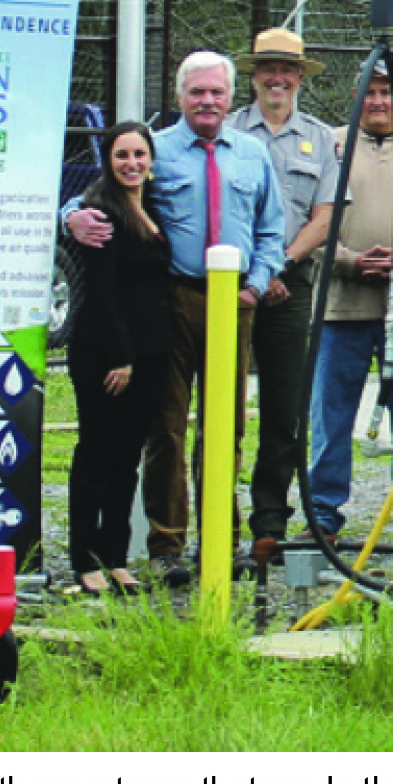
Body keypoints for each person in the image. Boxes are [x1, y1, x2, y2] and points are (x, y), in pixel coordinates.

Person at [65, 52, 288, 585]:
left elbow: (271, 229)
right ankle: (167, 546)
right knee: (165, 426)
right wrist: (68, 216)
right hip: (172, 302)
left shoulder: (252, 155)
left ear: (231, 97)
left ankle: (221, 539)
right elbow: (105, 195)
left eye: (216, 93)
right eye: (197, 93)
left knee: (225, 426)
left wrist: (256, 285)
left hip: (234, 301)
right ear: (180, 95)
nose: (207, 102)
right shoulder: (155, 149)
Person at [307, 60, 393, 545]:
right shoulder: (329, 141)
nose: (379, 101)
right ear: (355, 93)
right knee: (331, 415)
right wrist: (347, 261)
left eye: (388, 92)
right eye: (371, 91)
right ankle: (323, 515)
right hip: (342, 303)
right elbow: (312, 223)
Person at [231, 28, 342, 566]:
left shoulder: (320, 140)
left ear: (300, 77)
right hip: (228, 283)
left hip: (289, 283)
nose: (278, 78)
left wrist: (276, 267)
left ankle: (268, 524)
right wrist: (251, 273)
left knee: (283, 408)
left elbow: (324, 217)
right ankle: (218, 525)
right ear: (252, 76)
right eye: (268, 68)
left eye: (288, 70)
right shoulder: (226, 131)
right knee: (223, 409)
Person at [66, 121, 168, 598]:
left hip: (147, 353)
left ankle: (116, 557)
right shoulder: (100, 213)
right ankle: (84, 561)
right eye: (122, 155)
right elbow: (103, 294)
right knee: (97, 455)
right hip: (107, 355)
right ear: (108, 159)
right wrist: (121, 357)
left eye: (139, 155)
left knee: (127, 458)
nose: (132, 164)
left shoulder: (150, 209)